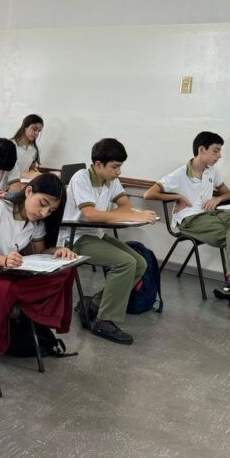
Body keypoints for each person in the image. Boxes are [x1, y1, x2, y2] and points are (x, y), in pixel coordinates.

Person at [0, 173, 77, 354]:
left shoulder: (36, 221)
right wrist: (4, 260)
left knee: (65, 270)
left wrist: (57, 251)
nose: (44, 213)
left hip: (6, 272)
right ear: (29, 191)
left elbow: (38, 253)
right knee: (0, 287)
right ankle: (1, 329)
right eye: (43, 204)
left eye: (51, 211)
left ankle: (14, 298)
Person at [60, 138, 155, 345]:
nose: (119, 172)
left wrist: (124, 214)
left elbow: (125, 206)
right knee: (125, 263)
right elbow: (89, 215)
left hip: (96, 233)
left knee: (140, 263)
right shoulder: (81, 177)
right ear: (98, 165)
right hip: (74, 237)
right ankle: (104, 321)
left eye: (120, 166)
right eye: (115, 166)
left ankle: (94, 305)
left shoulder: (110, 179)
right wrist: (132, 216)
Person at [143, 131, 230, 314]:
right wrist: (177, 196)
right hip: (190, 219)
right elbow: (148, 194)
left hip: (211, 215)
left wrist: (217, 199)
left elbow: (228, 193)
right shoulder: (180, 174)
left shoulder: (212, 171)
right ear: (201, 149)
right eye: (216, 151)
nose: (219, 156)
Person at [11, 114, 44, 179]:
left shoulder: (35, 149)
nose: (37, 133)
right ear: (25, 126)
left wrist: (34, 173)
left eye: (39, 131)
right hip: (8, 183)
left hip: (24, 183)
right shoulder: (10, 145)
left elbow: (31, 168)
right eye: (34, 129)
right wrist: (30, 175)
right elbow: (7, 173)